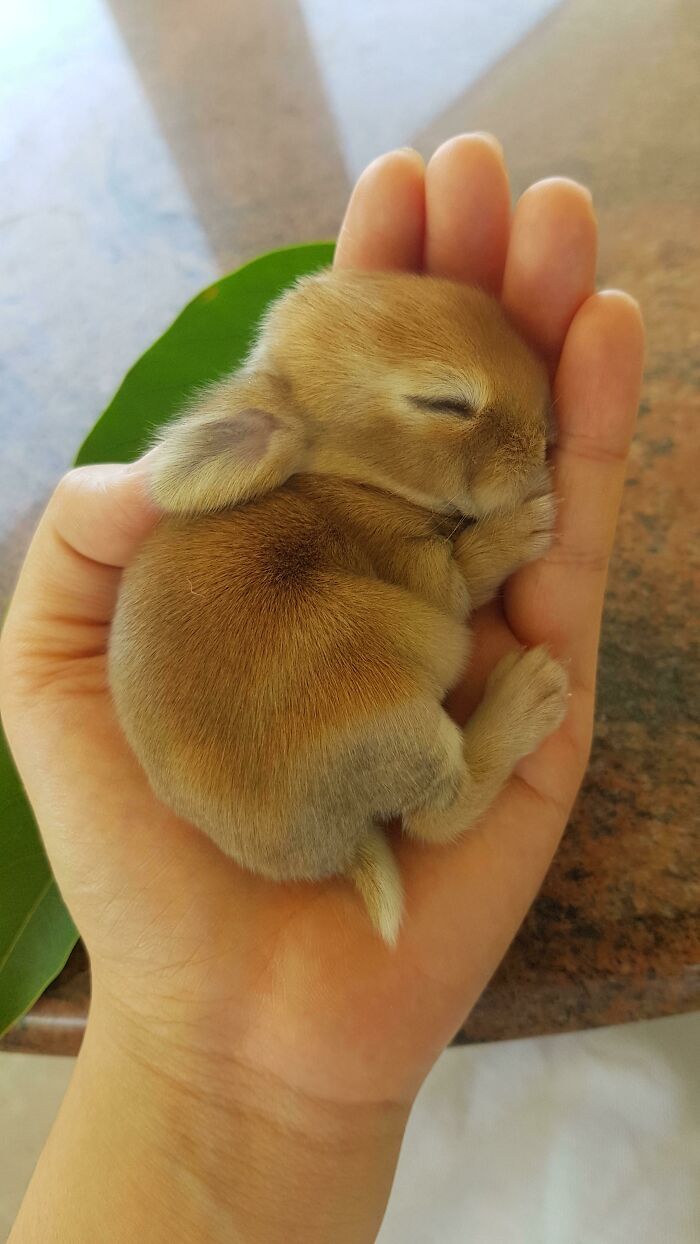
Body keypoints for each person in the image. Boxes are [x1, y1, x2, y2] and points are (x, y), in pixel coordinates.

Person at [0, 134, 643, 1243]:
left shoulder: (330, 503)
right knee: (376, 674)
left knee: (379, 643)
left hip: (295, 729)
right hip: (299, 764)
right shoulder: (294, 495)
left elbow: (422, 577)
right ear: (268, 433)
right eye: (449, 407)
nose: (522, 445)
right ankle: (455, 778)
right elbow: (421, 597)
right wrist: (472, 568)